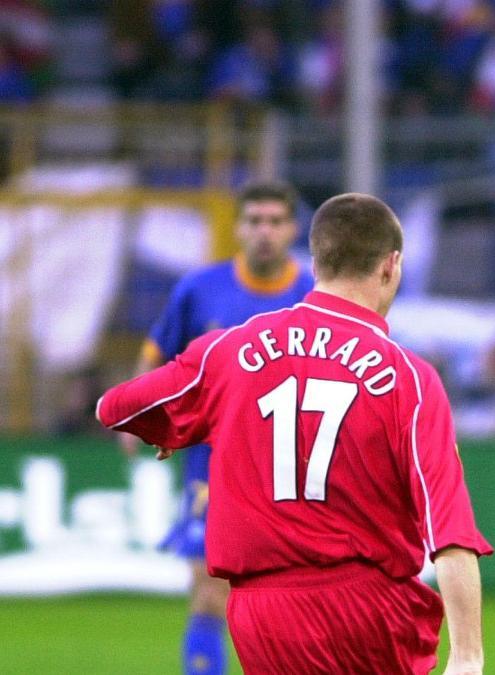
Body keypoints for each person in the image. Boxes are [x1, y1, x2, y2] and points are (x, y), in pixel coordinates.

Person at [99, 193, 491, 674]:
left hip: (262, 614)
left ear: (315, 260)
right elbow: (449, 530)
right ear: (391, 266)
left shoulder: (230, 348)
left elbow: (116, 406)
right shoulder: (409, 377)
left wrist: (168, 427)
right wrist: (468, 657)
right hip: (364, 611)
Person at [118, 181, 313, 675]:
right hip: (213, 461)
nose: (265, 232)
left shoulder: (314, 293)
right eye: (255, 222)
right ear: (239, 229)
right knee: (209, 589)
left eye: (275, 221)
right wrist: (135, 415)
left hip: (294, 465)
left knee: (293, 604)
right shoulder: (200, 289)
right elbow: (157, 355)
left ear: (292, 229)